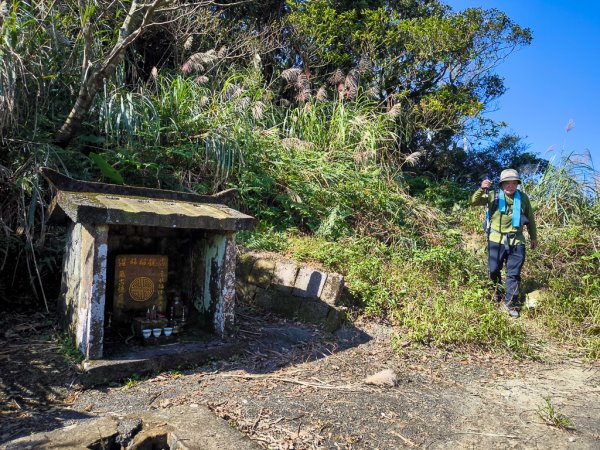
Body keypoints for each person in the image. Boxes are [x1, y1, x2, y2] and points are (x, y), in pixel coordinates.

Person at [471, 169, 538, 318]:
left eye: (514, 182)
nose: (510, 185)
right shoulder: (493, 196)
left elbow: (531, 220)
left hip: (517, 241)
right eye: (507, 182)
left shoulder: (523, 198)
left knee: (513, 274)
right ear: (502, 184)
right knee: (494, 270)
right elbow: (474, 201)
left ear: (517, 184)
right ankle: (497, 292)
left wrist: (533, 237)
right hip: (496, 239)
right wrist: (481, 189)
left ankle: (510, 304)